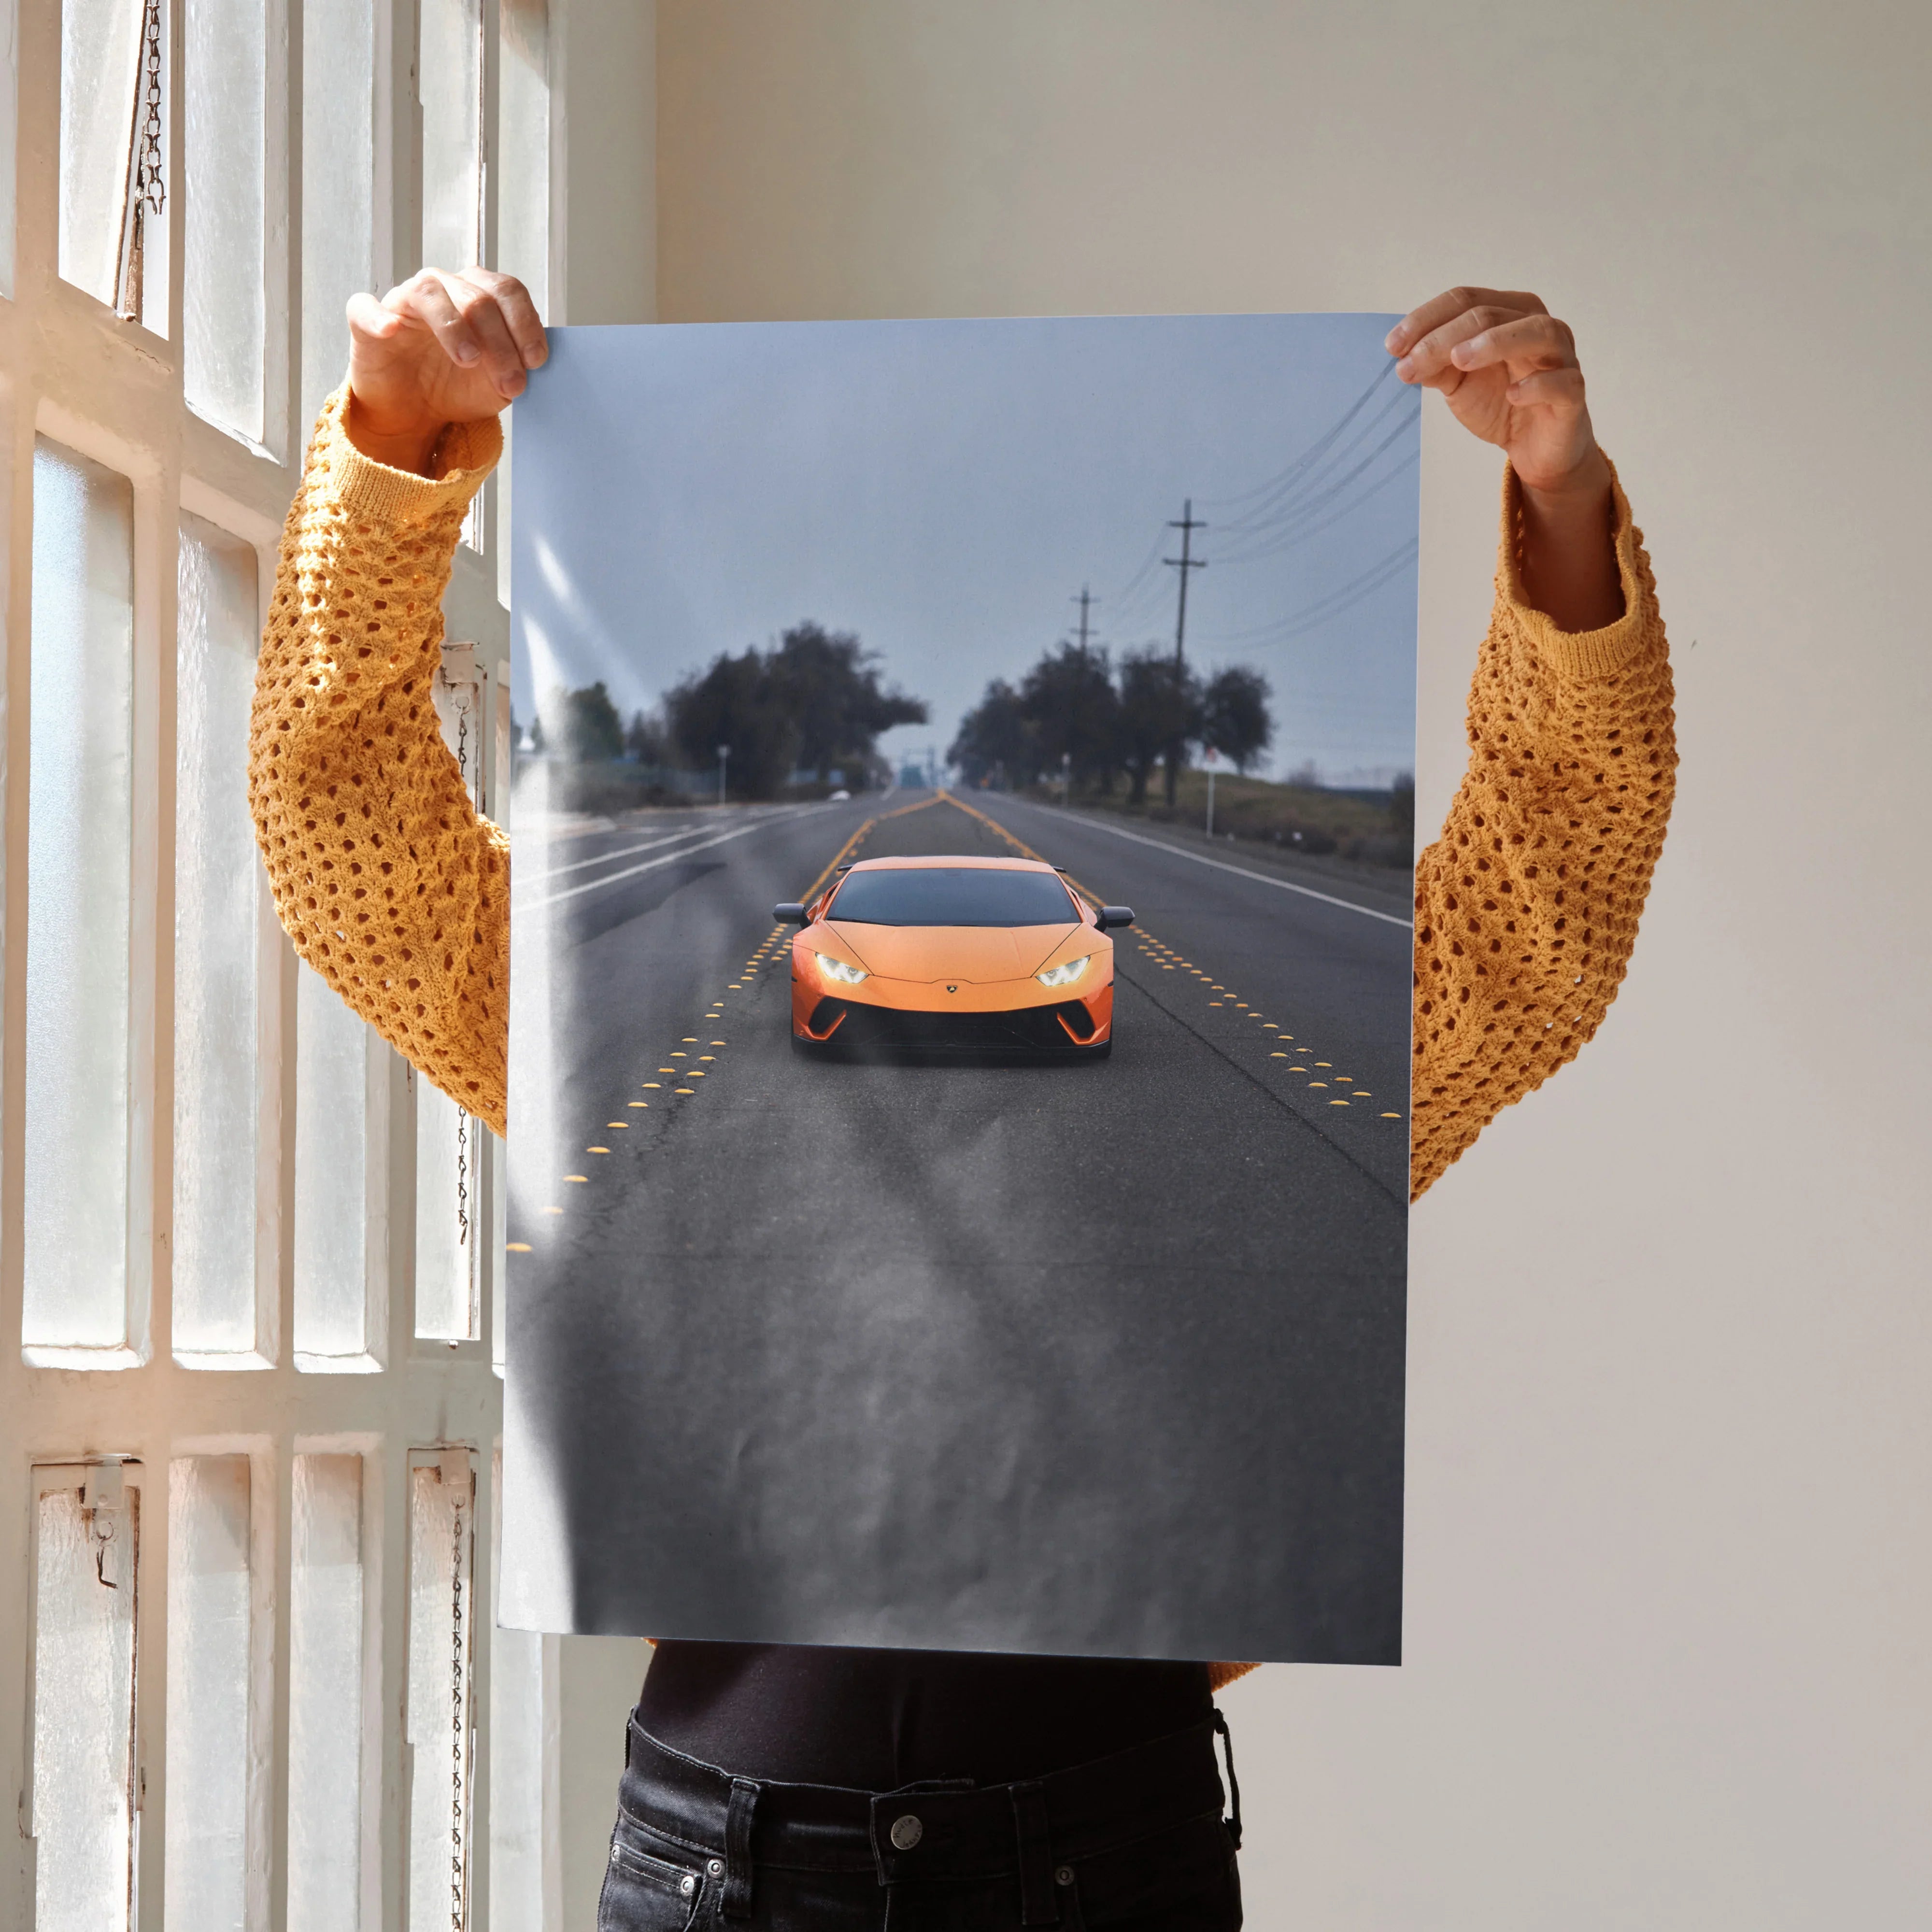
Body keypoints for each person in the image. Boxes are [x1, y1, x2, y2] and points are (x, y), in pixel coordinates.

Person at [250, 270, 1675, 1930]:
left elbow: (1544, 911)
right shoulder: (649, 1045)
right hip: (725, 1864)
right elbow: (350, 844)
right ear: (811, 948)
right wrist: (393, 444)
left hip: (1105, 1852)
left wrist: (1560, 498)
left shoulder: (1245, 1056)